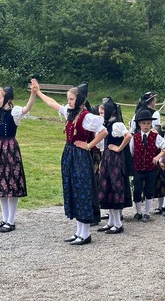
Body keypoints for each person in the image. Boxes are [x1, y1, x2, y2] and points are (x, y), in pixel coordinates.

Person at [31, 78, 108, 245]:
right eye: (68, 100)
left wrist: (88, 145)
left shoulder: (87, 117)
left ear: (79, 100)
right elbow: (52, 103)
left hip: (80, 156)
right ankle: (79, 231)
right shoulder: (70, 113)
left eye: (71, 99)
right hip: (70, 155)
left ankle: (86, 233)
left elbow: (103, 131)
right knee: (73, 190)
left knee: (82, 191)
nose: (69, 102)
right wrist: (38, 92)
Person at [0, 85, 36, 233]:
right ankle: (4, 219)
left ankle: (11, 221)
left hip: (10, 150)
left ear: (6, 99)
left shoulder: (14, 112)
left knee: (11, 184)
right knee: (0, 184)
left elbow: (27, 108)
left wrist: (33, 94)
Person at [97, 97, 133, 234]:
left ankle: (118, 223)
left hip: (115, 160)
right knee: (108, 189)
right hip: (107, 158)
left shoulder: (117, 125)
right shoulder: (108, 125)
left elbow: (128, 136)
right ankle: (111, 221)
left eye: (102, 113)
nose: (101, 115)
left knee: (115, 189)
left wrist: (118, 148)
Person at [129, 109, 165, 223]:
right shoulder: (135, 138)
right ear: (139, 124)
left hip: (151, 169)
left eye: (148, 123)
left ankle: (146, 213)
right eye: (143, 123)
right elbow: (131, 152)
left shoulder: (156, 137)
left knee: (149, 191)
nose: (146, 126)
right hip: (138, 169)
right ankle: (138, 212)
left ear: (151, 124)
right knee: (137, 191)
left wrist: (158, 156)